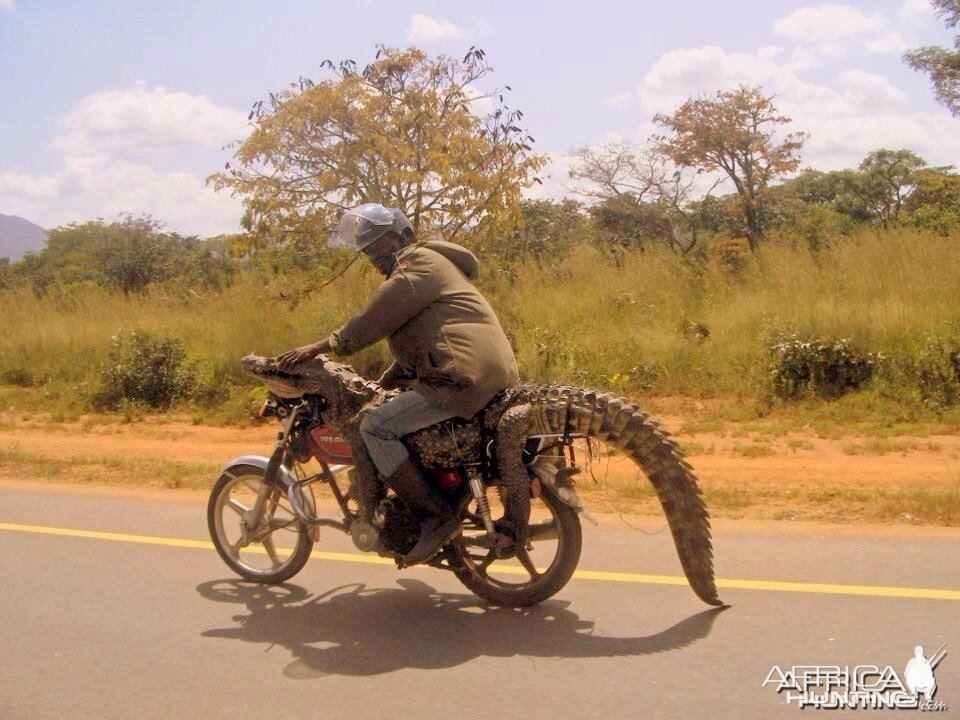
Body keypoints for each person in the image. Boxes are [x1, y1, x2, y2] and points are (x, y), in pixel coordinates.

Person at [277, 203, 520, 565]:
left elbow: (374, 318)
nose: (375, 254)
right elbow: (420, 340)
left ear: (404, 236)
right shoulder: (435, 267)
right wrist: (386, 380)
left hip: (462, 378)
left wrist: (317, 347)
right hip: (477, 372)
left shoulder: (417, 263)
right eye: (368, 249)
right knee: (390, 413)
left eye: (381, 243)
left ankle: (435, 515)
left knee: (374, 426)